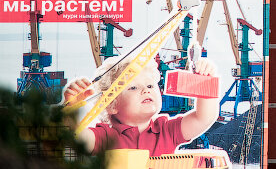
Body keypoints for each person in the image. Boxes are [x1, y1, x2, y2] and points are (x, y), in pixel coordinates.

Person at [63, 57, 220, 157]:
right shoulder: (104, 136)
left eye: (150, 85)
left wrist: (206, 80)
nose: (146, 90)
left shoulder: (167, 129)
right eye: (133, 88)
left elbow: (203, 118)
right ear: (111, 105)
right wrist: (71, 108)